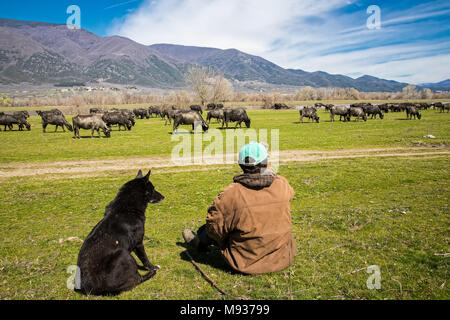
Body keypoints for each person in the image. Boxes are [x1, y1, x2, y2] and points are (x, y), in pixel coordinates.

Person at [182, 141, 296, 275]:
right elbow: (276, 180)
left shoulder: (231, 194)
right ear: (266, 163)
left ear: (241, 165)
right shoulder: (282, 184)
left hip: (245, 262)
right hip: (282, 257)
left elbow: (213, 230)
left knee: (205, 229)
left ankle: (198, 243)